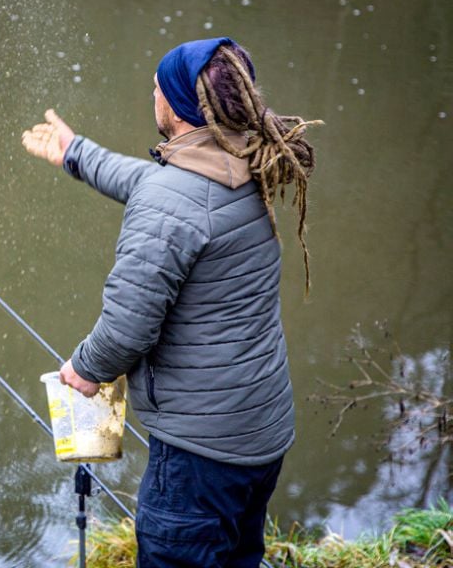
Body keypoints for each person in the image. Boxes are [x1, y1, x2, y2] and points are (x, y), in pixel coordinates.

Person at [21, 37, 321, 568]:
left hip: (199, 455)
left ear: (179, 108)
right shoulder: (247, 161)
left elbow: (127, 329)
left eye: (157, 87)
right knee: (236, 557)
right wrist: (76, 153)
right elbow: (152, 184)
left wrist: (85, 371)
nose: (151, 93)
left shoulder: (173, 201)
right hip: (260, 432)